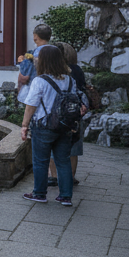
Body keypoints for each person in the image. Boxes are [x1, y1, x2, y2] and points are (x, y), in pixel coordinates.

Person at [20, 44, 82, 206]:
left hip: (44, 126)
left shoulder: (40, 81)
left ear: (43, 61)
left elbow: (31, 105)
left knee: (41, 161)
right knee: (63, 161)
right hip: (65, 126)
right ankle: (66, 196)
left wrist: (24, 125)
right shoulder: (70, 80)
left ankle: (39, 193)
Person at [49, 41, 90, 185]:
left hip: (56, 113)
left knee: (53, 146)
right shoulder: (77, 70)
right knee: (74, 147)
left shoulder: (53, 71)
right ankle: (70, 177)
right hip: (75, 113)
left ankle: (54, 176)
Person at [16, 24, 53, 105]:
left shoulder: (32, 55)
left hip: (35, 93)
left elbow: (24, 78)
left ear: (35, 36)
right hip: (53, 92)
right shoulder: (55, 52)